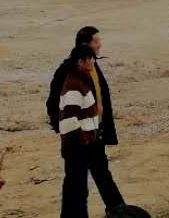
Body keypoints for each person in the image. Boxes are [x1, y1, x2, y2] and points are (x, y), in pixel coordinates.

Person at [46, 27, 124, 215]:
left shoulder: (91, 65)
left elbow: (100, 97)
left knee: (101, 174)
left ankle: (118, 211)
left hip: (94, 132)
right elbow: (54, 103)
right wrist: (70, 133)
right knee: (76, 184)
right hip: (78, 138)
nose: (100, 44)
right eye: (96, 41)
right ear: (85, 45)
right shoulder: (68, 72)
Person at [56, 44, 107, 218]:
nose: (93, 62)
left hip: (79, 144)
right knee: (77, 191)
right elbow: (69, 120)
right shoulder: (74, 85)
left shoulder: (79, 79)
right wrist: (84, 140)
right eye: (90, 59)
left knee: (76, 190)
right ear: (80, 61)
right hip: (76, 146)